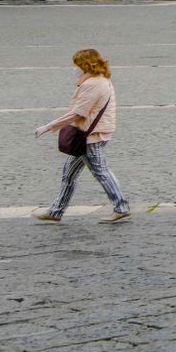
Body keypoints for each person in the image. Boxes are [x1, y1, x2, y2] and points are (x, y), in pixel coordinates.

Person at [33, 48, 131, 223]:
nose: (75, 69)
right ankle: (56, 211)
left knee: (101, 171)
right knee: (69, 173)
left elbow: (78, 113)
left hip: (90, 137)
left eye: (77, 65)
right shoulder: (101, 80)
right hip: (91, 134)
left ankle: (121, 207)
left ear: (86, 65)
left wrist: (50, 126)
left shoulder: (92, 84)